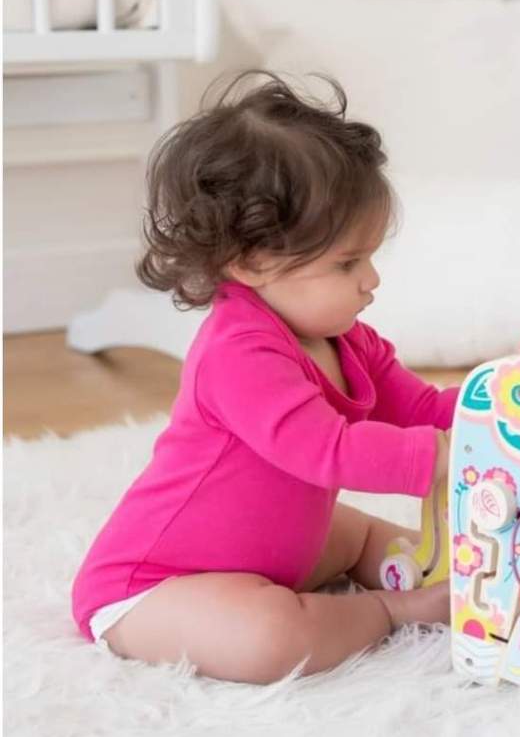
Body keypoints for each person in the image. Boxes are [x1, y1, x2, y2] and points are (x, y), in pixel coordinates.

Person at [71, 71, 455, 683]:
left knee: (357, 537)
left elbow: (426, 409)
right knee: (271, 637)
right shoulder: (237, 354)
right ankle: (390, 610)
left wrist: (506, 402)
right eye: (348, 263)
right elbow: (328, 451)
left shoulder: (343, 337)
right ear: (251, 262)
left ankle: (450, 575)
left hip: (274, 552)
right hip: (156, 588)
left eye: (370, 257)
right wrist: (433, 457)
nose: (372, 280)